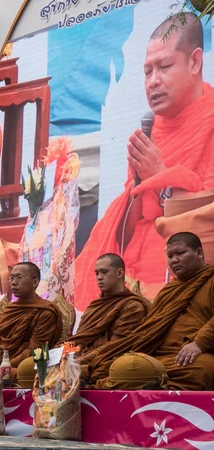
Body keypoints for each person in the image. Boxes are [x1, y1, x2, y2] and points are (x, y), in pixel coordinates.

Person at [75, 12, 214, 310]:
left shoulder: (211, 120)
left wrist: (161, 176)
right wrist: (136, 191)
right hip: (131, 272)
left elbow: (207, 223)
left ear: (194, 61)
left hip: (179, 277)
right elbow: (127, 226)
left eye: (164, 67)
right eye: (147, 71)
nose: (153, 81)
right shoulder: (149, 133)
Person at [87, 232, 214, 390]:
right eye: (170, 255)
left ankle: (150, 383)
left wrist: (199, 343)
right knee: (123, 364)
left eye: (180, 253)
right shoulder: (168, 290)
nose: (174, 260)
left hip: (194, 355)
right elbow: (147, 331)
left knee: (205, 368)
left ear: (199, 253)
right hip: (159, 355)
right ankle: (154, 383)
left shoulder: (211, 279)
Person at [72, 254, 150, 378]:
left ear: (119, 273)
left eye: (104, 272)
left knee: (116, 368)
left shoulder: (132, 307)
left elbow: (118, 345)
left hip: (109, 360)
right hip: (83, 360)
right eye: (97, 273)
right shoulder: (93, 307)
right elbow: (79, 341)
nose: (99, 277)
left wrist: (82, 360)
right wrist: (66, 355)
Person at [0, 262, 62, 379]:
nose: (13, 282)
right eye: (11, 278)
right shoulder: (10, 309)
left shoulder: (45, 311)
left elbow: (35, 350)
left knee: (26, 370)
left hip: (23, 366)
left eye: (19, 278)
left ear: (35, 282)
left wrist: (5, 366)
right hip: (1, 363)